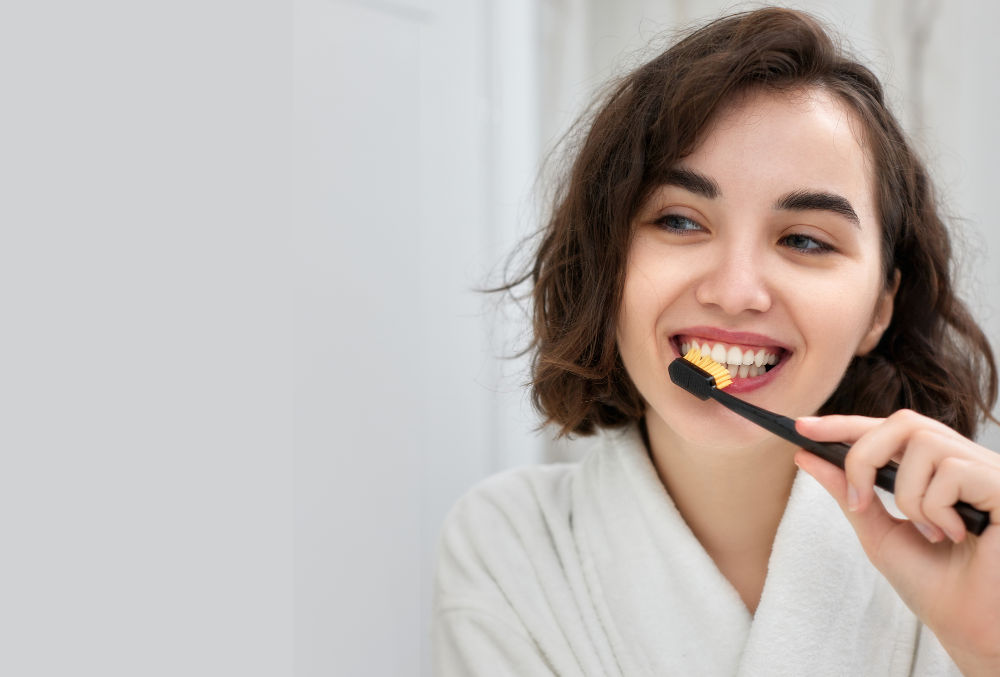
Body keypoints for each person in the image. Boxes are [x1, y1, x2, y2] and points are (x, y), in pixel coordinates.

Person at [432, 7, 1000, 675]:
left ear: (880, 307)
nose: (735, 291)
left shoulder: (970, 551)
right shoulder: (510, 548)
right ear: (606, 263)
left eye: (806, 240)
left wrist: (984, 650)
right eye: (678, 220)